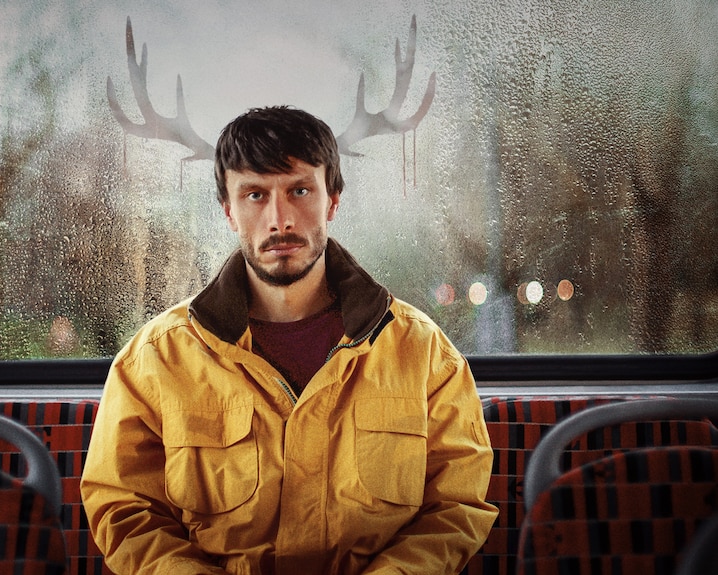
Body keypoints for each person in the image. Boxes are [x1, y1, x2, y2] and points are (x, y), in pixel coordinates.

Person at [80, 106, 498, 574]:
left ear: (332, 201)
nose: (279, 219)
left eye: (299, 190)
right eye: (255, 195)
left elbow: (456, 506)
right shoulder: (154, 360)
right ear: (229, 211)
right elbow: (125, 509)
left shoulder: (424, 354)